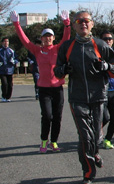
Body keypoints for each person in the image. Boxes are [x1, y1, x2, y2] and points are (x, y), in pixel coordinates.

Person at [54, 11, 114, 184]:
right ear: (74, 25)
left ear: (92, 24)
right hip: (77, 98)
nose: (83, 24)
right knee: (84, 137)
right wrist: (63, 70)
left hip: (99, 97)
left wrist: (106, 66)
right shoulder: (67, 46)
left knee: (96, 137)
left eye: (86, 21)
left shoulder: (101, 45)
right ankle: (88, 172)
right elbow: (56, 70)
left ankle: (95, 152)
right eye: (79, 21)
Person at [10, 10, 71, 153]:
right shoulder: (37, 50)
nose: (47, 39)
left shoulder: (58, 48)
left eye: (49, 37)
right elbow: (24, 40)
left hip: (57, 88)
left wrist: (66, 23)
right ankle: (44, 141)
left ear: (53, 38)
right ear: (41, 39)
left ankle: (54, 142)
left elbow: (66, 38)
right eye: (45, 37)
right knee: (47, 115)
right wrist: (16, 23)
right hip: (43, 89)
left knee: (57, 117)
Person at [100, 30, 114, 149]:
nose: (107, 41)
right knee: (105, 118)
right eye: (105, 39)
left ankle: (107, 139)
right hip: (101, 91)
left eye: (109, 39)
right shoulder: (97, 52)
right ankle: (93, 134)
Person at [0, 37, 18, 102]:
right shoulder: (0, 51)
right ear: (2, 43)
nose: (6, 43)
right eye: (5, 41)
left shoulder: (11, 51)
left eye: (7, 41)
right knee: (4, 84)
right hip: (2, 70)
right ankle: (3, 96)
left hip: (10, 70)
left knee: (10, 84)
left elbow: (16, 59)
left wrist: (14, 61)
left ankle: (8, 97)